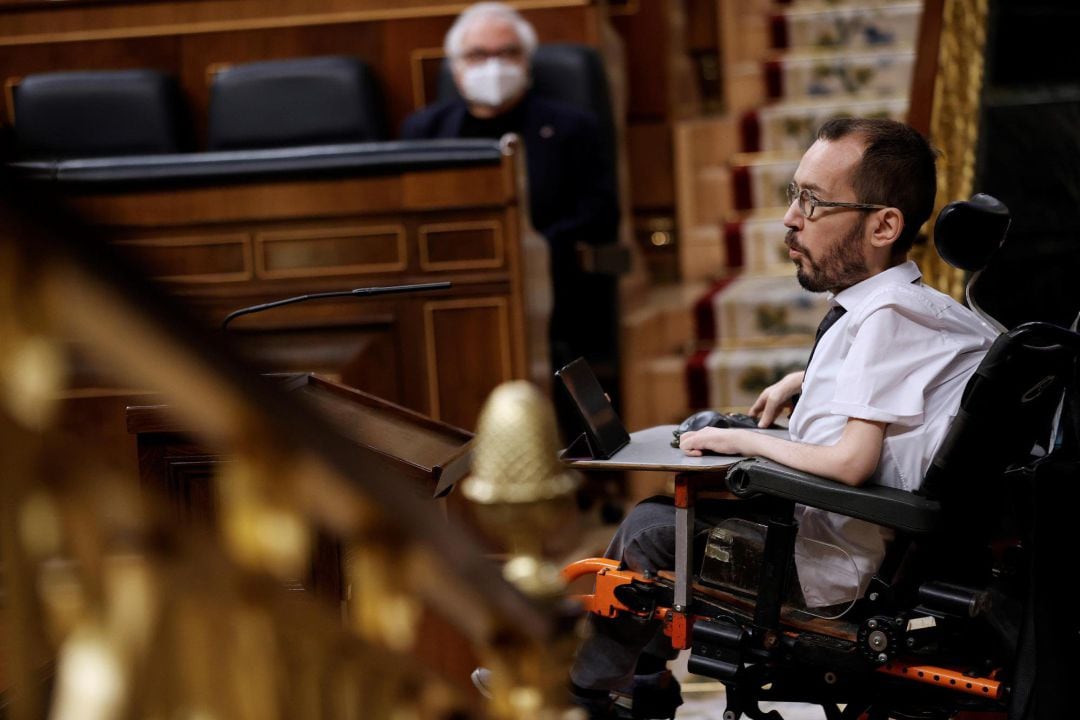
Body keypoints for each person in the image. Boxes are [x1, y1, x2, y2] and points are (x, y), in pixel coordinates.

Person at [568, 118, 1000, 719]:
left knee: (646, 530)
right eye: (794, 194)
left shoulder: (884, 318)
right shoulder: (936, 309)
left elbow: (851, 462)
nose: (790, 219)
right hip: (872, 545)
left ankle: (586, 696)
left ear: (884, 225)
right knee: (670, 520)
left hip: (832, 571)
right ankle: (644, 684)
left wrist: (740, 441)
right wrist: (809, 381)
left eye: (814, 203)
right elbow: (912, 380)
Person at [401, 2, 621, 426]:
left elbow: (600, 212)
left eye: (507, 53)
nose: (493, 65)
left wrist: (531, 249)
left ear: (527, 61)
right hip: (449, 285)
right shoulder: (423, 131)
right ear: (455, 67)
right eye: (478, 55)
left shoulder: (571, 127)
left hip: (550, 287)